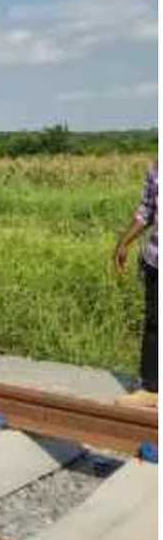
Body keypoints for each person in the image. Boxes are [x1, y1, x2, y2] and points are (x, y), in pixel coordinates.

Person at [113, 160, 158, 408]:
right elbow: (147, 210)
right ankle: (152, 388)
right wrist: (123, 243)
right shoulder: (157, 168)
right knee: (154, 322)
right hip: (156, 258)